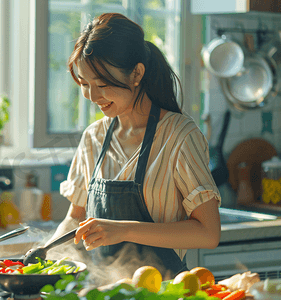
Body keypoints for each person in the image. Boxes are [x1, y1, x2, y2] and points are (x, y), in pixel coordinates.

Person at [45, 12, 221, 278]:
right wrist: (45, 256)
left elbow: (208, 233)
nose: (92, 96)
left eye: (102, 84)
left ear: (137, 73)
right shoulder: (94, 137)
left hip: (163, 292)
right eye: (84, 83)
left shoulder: (179, 136)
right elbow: (75, 219)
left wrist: (123, 229)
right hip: (102, 292)